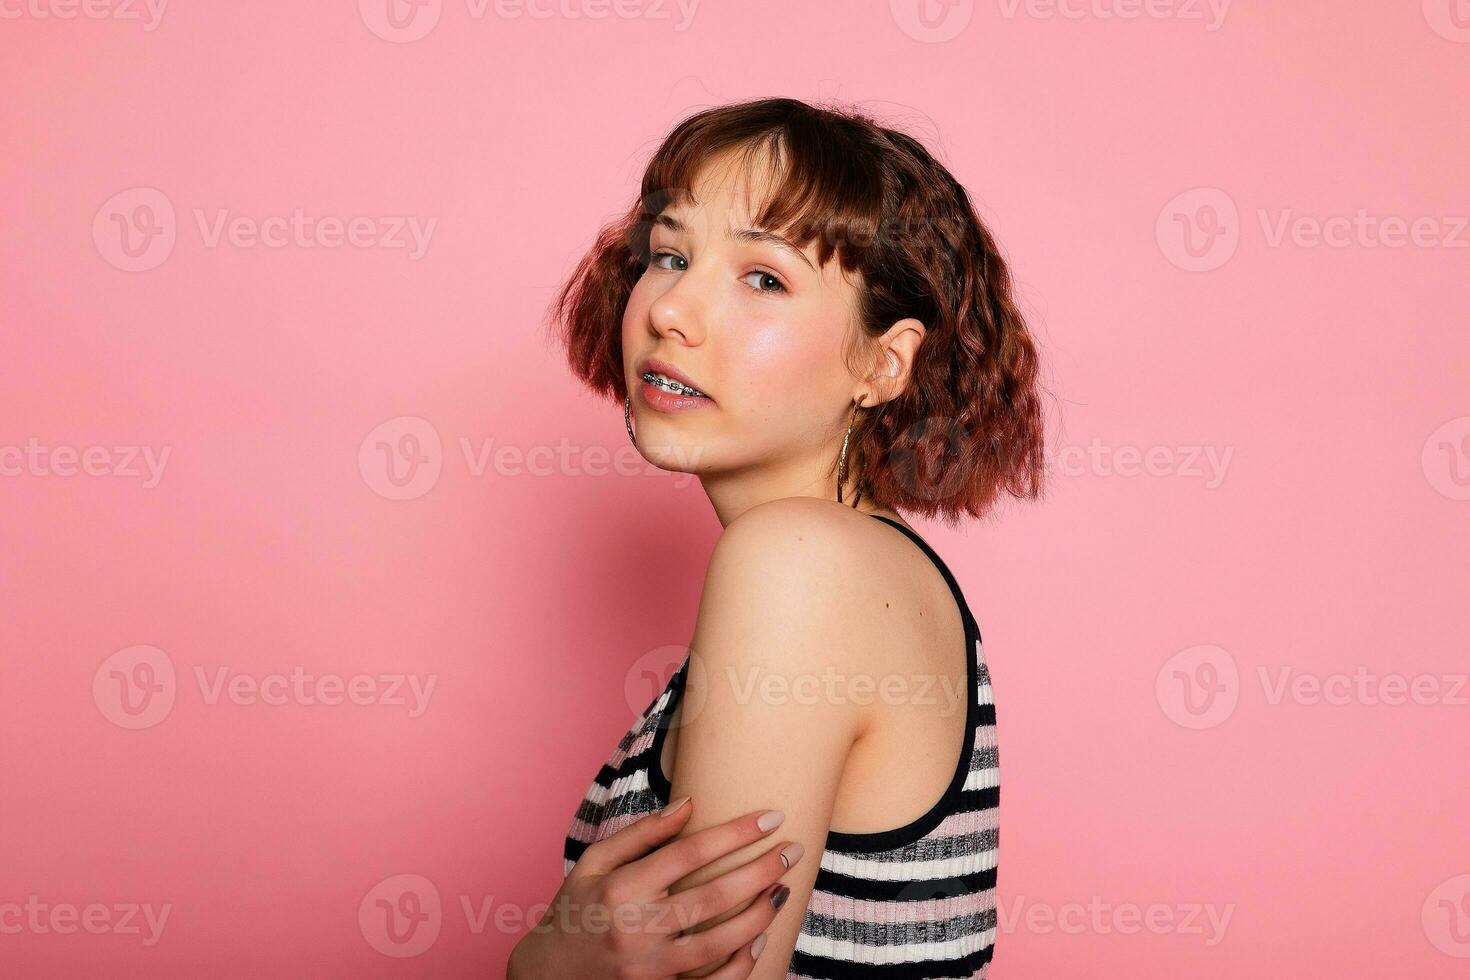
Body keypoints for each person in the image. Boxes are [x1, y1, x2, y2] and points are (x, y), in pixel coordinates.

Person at [512, 96, 1047, 979]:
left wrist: (540, 968)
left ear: (882, 361)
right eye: (671, 254)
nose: (672, 309)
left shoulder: (797, 564)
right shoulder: (848, 563)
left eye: (763, 278)